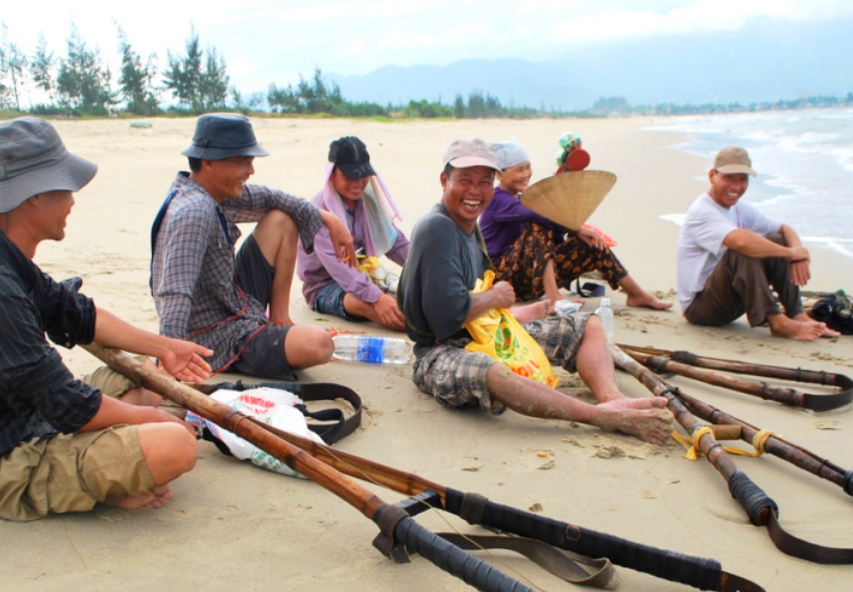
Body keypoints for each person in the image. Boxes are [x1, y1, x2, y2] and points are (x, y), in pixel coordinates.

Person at [0, 117, 214, 521]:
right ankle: (97, 486)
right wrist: (146, 419)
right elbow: (67, 405)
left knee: (150, 378)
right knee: (174, 444)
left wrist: (165, 347)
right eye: (64, 189)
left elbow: (76, 313)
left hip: (13, 415)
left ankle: (110, 470)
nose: (72, 201)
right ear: (32, 197)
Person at [397, 139, 673, 443]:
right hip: (438, 353)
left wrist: (514, 314)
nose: (475, 191)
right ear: (444, 181)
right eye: (465, 180)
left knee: (585, 326)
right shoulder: (437, 228)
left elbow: (469, 307)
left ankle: (611, 397)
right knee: (492, 371)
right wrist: (497, 297)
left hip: (484, 334)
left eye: (485, 182)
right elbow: (446, 317)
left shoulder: (468, 227)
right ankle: (598, 415)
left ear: (494, 184)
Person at [150, 113, 355, 380]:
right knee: (319, 345)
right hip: (214, 335)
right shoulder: (194, 212)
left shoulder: (206, 190)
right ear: (209, 161)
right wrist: (171, 356)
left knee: (281, 217)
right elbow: (175, 291)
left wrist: (329, 219)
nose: (251, 170)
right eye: (244, 161)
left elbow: (271, 197)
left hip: (231, 300)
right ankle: (261, 336)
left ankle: (278, 318)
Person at [479, 138, 671, 309]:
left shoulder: (522, 199)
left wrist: (576, 234)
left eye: (528, 167)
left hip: (530, 279)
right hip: (504, 281)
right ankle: (554, 297)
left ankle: (637, 295)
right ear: (500, 175)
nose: (526, 173)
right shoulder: (497, 199)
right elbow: (540, 215)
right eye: (519, 169)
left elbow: (552, 240)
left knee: (589, 243)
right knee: (540, 225)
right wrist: (576, 227)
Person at [676, 146, 839, 341]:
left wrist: (797, 252)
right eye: (729, 177)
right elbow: (742, 242)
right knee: (743, 249)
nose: (736, 187)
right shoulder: (702, 211)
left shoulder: (739, 208)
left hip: (732, 298)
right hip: (701, 308)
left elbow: (783, 229)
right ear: (712, 176)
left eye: (742, 179)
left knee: (776, 241)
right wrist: (790, 254)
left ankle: (797, 314)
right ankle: (778, 322)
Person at [297, 136, 409, 332]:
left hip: (361, 274)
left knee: (409, 296)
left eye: (363, 176)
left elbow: (395, 242)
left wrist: (425, 267)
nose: (358, 184)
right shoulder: (319, 212)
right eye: (350, 176)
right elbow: (340, 268)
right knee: (364, 303)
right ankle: (415, 327)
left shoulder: (367, 203)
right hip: (324, 286)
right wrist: (378, 299)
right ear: (332, 174)